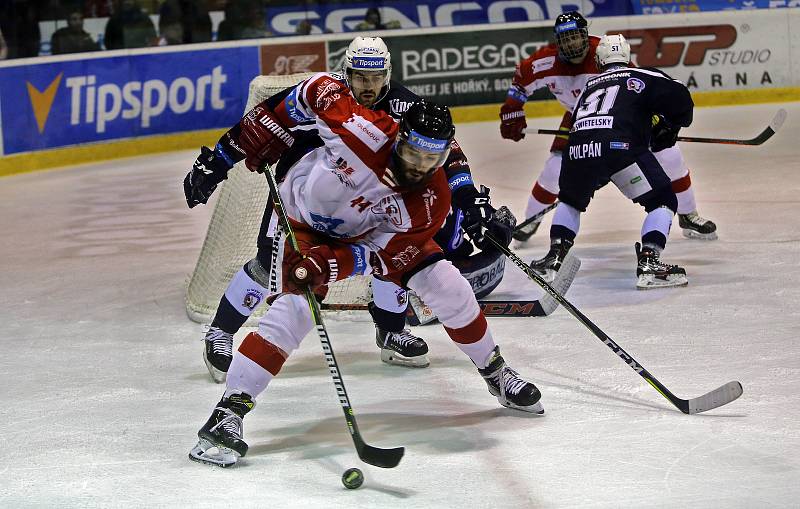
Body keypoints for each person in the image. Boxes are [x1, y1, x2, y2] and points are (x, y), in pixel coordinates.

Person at [185, 79, 545, 467]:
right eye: (415, 153)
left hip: (366, 235)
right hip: (300, 218)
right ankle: (227, 415)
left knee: (448, 285)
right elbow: (314, 90)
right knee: (296, 310)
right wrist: (226, 154)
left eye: (433, 159)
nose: (421, 166)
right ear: (399, 137)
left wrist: (334, 263)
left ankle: (496, 372)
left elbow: (385, 257)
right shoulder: (363, 129)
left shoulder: (431, 201)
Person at [184, 36, 515, 381]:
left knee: (398, 251)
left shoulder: (404, 105)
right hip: (304, 197)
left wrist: (470, 203)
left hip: (369, 205)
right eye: (359, 76)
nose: (368, 86)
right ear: (346, 72)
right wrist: (220, 160)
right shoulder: (330, 98)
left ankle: (390, 331)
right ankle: (221, 331)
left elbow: (449, 155)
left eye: (375, 78)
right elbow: (267, 120)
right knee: (270, 261)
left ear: (387, 74)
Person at [500, 11, 717, 244]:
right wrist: (513, 110)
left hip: (621, 115)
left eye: (575, 36)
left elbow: (638, 91)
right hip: (580, 116)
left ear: (585, 35)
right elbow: (520, 84)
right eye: (565, 39)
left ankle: (688, 214)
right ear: (557, 41)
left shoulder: (604, 54)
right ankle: (531, 219)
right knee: (554, 169)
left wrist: (656, 121)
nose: (571, 43)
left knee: (670, 156)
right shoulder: (544, 62)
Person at [529, 34, 691, 290]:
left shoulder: (588, 87)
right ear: (627, 57)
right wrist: (670, 127)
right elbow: (681, 96)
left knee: (571, 201)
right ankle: (650, 260)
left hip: (578, 151)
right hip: (620, 149)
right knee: (663, 200)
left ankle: (554, 258)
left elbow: (591, 123)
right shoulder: (641, 76)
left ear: (598, 59)